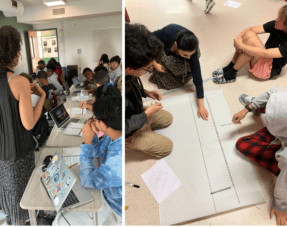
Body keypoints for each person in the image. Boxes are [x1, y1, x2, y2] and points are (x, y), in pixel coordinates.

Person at [0, 26, 46, 225]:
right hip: (19, 152)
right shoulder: (18, 81)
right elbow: (29, 123)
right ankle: (27, 220)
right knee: (24, 193)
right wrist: (41, 96)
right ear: (15, 56)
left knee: (7, 191)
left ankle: (13, 219)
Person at [53, 90, 122, 225]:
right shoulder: (114, 135)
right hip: (107, 189)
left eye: (94, 118)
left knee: (59, 221)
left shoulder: (117, 161)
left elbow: (88, 180)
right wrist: (94, 135)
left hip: (114, 206)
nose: (92, 121)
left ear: (102, 123)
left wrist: (87, 141)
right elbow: (97, 153)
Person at [232, 87, 287, 226]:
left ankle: (262, 106)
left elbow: (286, 182)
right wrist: (247, 108)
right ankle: (259, 104)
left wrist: (280, 206)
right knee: (274, 102)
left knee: (243, 144)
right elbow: (274, 92)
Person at [212, 3, 287, 83]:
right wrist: (238, 39)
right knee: (249, 35)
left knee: (251, 45)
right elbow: (250, 29)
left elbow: (265, 53)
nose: (276, 19)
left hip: (269, 70)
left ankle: (231, 73)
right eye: (279, 16)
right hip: (263, 57)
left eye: (280, 19)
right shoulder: (277, 24)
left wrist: (241, 46)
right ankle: (231, 66)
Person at [125, 23, 173, 158]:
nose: (151, 69)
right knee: (167, 148)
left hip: (134, 111)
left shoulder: (129, 69)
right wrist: (146, 115)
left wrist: (145, 92)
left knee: (168, 118)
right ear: (130, 69)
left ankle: (144, 126)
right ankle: (127, 143)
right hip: (125, 129)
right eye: (149, 68)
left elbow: (133, 84)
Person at [151, 24, 209, 120]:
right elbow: (146, 42)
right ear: (176, 45)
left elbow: (197, 77)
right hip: (164, 51)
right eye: (186, 54)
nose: (189, 58)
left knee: (192, 62)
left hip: (181, 50)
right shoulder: (166, 33)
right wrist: (154, 63)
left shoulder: (192, 50)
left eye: (190, 54)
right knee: (169, 79)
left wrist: (201, 106)